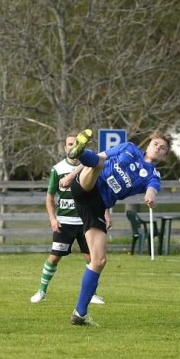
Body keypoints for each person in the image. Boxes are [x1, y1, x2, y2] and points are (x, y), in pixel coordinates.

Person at [65, 128, 171, 326]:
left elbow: (152, 189)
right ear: (148, 144)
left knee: (99, 260)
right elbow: (99, 156)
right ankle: (79, 152)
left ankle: (80, 313)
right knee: (99, 162)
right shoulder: (128, 148)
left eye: (162, 148)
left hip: (97, 205)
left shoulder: (152, 175)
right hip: (88, 185)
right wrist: (71, 175)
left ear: (164, 156)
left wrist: (150, 197)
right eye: (156, 143)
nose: (158, 147)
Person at [31, 132, 107, 305]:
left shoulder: (90, 167)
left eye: (76, 144)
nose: (73, 147)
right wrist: (52, 218)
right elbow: (50, 196)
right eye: (70, 144)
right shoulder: (58, 169)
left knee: (92, 258)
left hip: (86, 222)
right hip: (65, 222)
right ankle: (42, 291)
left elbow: (100, 193)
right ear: (65, 147)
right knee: (55, 257)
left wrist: (106, 214)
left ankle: (92, 294)